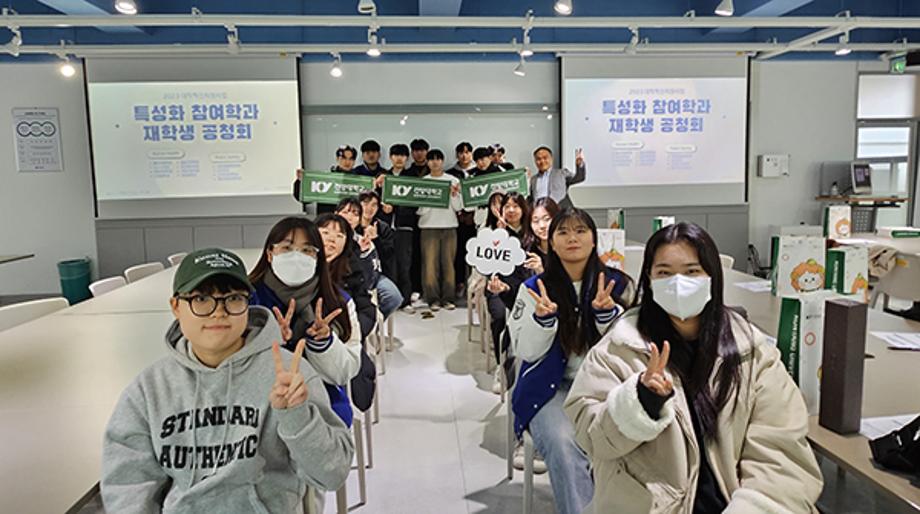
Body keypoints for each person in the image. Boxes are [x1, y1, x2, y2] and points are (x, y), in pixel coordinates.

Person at [565, 222, 824, 513]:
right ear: (649, 279)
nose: (678, 283)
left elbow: (781, 456)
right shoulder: (620, 349)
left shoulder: (752, 353)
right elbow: (592, 438)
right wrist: (638, 403)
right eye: (664, 273)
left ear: (713, 276)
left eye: (691, 272)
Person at [101, 248, 354, 513]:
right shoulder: (149, 390)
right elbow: (127, 484)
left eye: (233, 298)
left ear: (247, 304)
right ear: (176, 306)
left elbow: (333, 474)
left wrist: (297, 417)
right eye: (201, 299)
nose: (219, 312)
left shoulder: (290, 376)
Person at [508, 208, 634, 514]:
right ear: (551, 242)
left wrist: (608, 316)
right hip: (550, 391)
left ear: (594, 240)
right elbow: (525, 350)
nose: (572, 238)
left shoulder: (618, 285)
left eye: (580, 231)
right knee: (564, 444)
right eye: (562, 232)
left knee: (636, 439)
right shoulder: (533, 289)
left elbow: (633, 347)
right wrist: (543, 322)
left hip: (608, 387)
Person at [247, 216, 364, 426]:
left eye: (307, 250)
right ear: (270, 254)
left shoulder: (337, 303)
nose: (296, 257)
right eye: (287, 248)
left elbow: (344, 372)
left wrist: (323, 342)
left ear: (317, 258)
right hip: (256, 400)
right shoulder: (247, 298)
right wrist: (268, 341)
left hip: (320, 397)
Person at [315, 213, 380, 413]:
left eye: (339, 235)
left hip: (344, 341)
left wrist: (348, 331)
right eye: (325, 232)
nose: (331, 239)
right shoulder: (300, 269)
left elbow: (366, 310)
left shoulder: (352, 269)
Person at [483, 192, 531, 394]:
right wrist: (499, 236)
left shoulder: (532, 233)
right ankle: (501, 365)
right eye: (507, 206)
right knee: (501, 318)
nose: (511, 210)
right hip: (499, 287)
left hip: (526, 287)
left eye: (516, 206)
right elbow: (485, 266)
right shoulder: (492, 233)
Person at [335, 197, 403, 319]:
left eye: (355, 214)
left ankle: (372, 321)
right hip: (347, 280)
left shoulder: (370, 232)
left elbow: (387, 256)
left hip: (372, 275)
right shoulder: (333, 236)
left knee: (394, 297)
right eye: (345, 212)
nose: (350, 217)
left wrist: (373, 242)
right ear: (336, 214)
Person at [417, 148, 464, 313]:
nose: (435, 162)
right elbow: (419, 210)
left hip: (449, 227)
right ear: (427, 162)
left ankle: (449, 298)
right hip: (428, 227)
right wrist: (429, 199)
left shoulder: (452, 180)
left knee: (449, 264)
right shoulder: (423, 182)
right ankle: (432, 298)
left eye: (438, 159)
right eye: (431, 159)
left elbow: (459, 207)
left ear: (443, 161)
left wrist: (453, 195)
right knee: (430, 265)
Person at [293, 145, 359, 215]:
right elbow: (303, 198)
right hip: (327, 219)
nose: (347, 162)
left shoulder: (360, 181)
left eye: (351, 159)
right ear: (337, 159)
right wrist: (301, 181)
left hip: (351, 219)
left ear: (354, 161)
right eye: (343, 158)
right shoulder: (325, 179)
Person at [448, 141, 476, 297]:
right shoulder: (450, 173)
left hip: (476, 220)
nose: (464, 155)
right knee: (458, 253)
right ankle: (459, 283)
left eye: (467, 152)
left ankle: (474, 284)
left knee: (475, 252)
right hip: (456, 219)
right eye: (461, 152)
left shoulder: (478, 171)